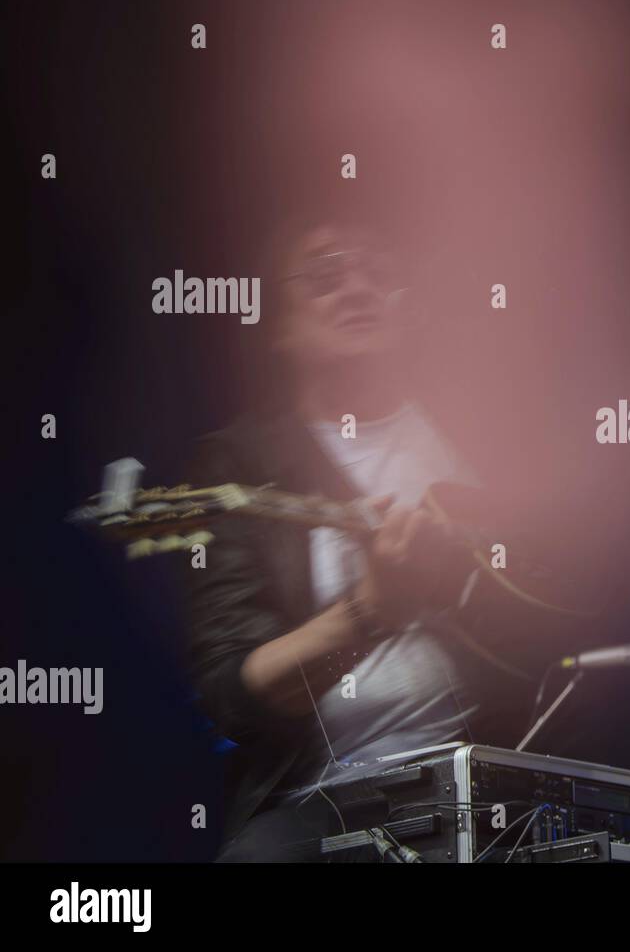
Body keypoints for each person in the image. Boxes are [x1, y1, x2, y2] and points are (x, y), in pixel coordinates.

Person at [184, 213, 499, 861]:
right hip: (331, 799)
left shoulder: (484, 433)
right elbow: (236, 698)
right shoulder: (238, 469)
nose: (357, 288)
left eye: (378, 274)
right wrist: (371, 612)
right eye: (326, 276)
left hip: (501, 777)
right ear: (280, 326)